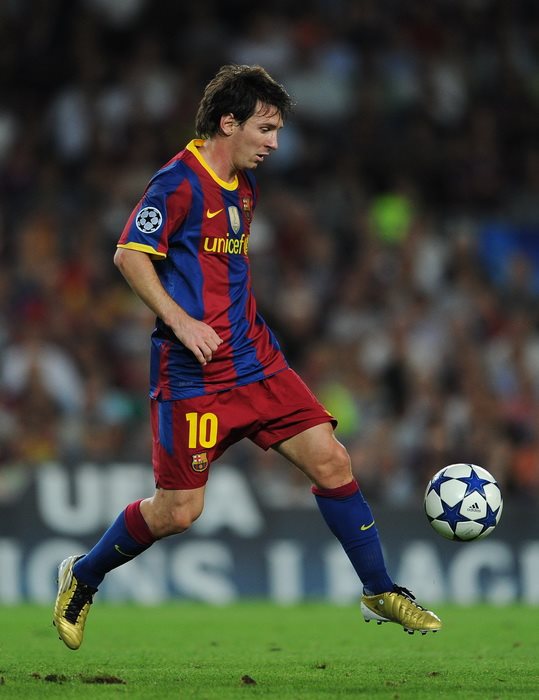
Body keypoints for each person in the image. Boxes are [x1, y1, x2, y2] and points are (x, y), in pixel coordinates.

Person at [53, 64, 441, 650]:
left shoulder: (245, 185)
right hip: (193, 374)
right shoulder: (178, 182)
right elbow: (129, 255)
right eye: (265, 128)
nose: (274, 143)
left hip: (256, 361)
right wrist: (181, 320)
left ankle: (379, 590)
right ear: (228, 122)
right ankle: (84, 574)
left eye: (277, 130)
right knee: (179, 512)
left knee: (332, 460)